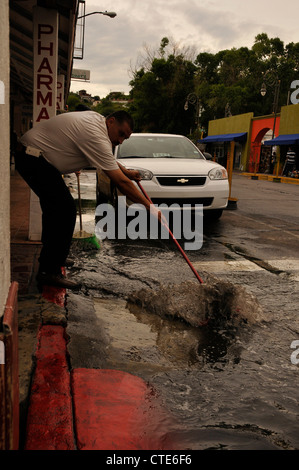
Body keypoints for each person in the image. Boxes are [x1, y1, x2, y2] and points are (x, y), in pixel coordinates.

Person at [15, 110, 164, 290]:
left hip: (36, 157)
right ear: (111, 122)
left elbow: (107, 160)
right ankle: (49, 271)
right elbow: (121, 183)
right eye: (121, 134)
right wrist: (150, 208)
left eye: (126, 138)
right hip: (33, 158)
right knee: (65, 209)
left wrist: (126, 171)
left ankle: (53, 260)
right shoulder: (95, 134)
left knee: (54, 209)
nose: (121, 141)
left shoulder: (97, 124)